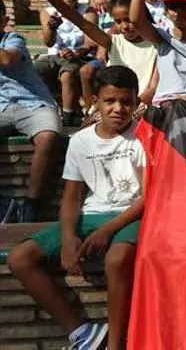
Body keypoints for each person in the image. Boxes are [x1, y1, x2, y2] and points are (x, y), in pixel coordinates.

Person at [8, 65, 145, 350]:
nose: (118, 109)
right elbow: (72, 196)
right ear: (95, 101)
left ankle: (116, 345)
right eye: (109, 101)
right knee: (19, 258)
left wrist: (107, 231)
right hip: (90, 215)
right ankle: (83, 333)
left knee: (117, 259)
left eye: (126, 102)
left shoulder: (143, 136)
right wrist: (69, 237)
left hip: (130, 215)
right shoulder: (81, 141)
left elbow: (148, 197)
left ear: (136, 102)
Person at [21, 0, 158, 109]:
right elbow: (81, 22)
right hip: (110, 109)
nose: (124, 26)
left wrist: (134, 107)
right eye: (118, 21)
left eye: (129, 20)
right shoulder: (113, 42)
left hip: (138, 107)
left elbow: (152, 89)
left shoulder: (157, 45)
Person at [0, 0, 61, 224]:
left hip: (33, 103)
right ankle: (4, 204)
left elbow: (7, 59)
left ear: (5, 20)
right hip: (2, 106)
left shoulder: (13, 39)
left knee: (48, 136)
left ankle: (32, 203)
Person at [35, 0, 99, 127]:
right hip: (54, 56)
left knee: (67, 74)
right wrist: (52, 28)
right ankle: (46, 109)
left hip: (82, 56)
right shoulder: (47, 12)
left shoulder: (88, 11)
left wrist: (77, 53)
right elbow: (49, 43)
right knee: (36, 69)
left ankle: (68, 116)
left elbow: (91, 43)